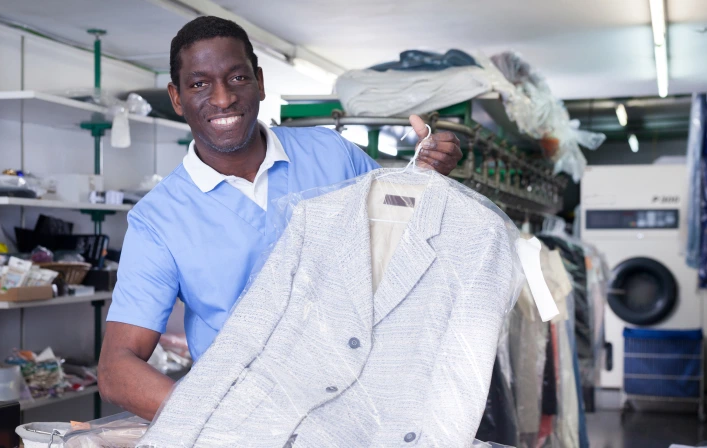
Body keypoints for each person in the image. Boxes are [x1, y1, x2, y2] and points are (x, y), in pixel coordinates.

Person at [97, 16, 463, 420]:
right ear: (177, 97)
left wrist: (427, 175)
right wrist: (217, 422)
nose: (222, 99)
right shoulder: (159, 219)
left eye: (237, 78)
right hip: (243, 419)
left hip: (365, 408)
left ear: (259, 81)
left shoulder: (331, 153)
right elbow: (117, 369)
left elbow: (403, 238)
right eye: (199, 83)